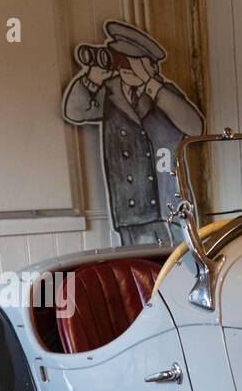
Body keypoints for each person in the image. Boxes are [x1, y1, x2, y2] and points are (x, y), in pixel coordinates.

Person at [62, 21, 204, 245]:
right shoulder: (109, 94)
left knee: (179, 269)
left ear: (150, 65)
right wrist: (92, 80)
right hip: (132, 207)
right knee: (141, 271)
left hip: (169, 205)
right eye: (121, 59)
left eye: (133, 61)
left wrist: (150, 83)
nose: (125, 67)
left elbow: (195, 126)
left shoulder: (164, 95)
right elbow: (74, 111)